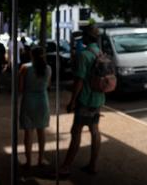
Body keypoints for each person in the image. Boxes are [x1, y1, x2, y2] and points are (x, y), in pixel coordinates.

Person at [60, 26, 104, 176]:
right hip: (98, 100)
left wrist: (72, 101)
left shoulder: (84, 55)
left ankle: (65, 167)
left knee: (76, 131)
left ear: (87, 37)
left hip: (85, 100)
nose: (81, 38)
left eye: (83, 35)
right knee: (95, 130)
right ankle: (93, 165)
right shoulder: (100, 53)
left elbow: (79, 81)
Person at [19, 46, 52, 170]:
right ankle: (40, 160)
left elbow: (21, 89)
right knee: (41, 132)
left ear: (31, 55)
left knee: (28, 133)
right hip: (42, 102)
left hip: (28, 101)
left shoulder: (25, 68)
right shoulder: (48, 69)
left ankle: (28, 162)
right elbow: (47, 85)